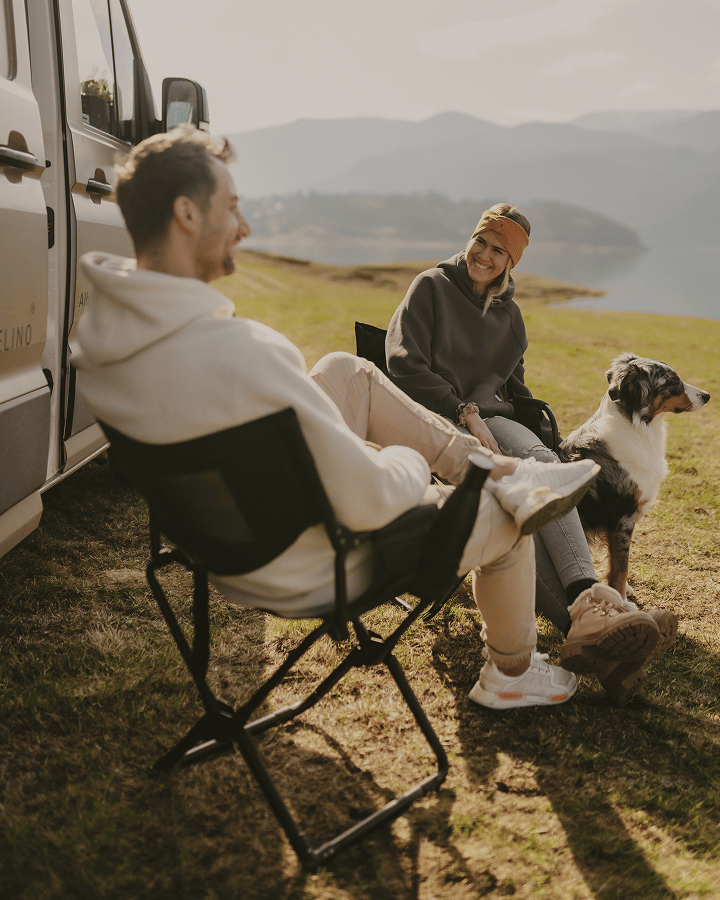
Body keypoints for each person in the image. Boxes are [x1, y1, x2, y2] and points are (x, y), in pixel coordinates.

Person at [75, 127, 662, 710]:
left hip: (234, 539)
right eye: (231, 207)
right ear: (185, 213)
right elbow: (369, 500)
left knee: (345, 369)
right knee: (507, 513)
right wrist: (403, 458)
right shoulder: (242, 355)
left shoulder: (105, 347)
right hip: (311, 560)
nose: (245, 226)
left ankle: (502, 473)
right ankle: (512, 670)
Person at [386, 203, 678, 703]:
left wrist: (522, 424)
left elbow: (510, 385)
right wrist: (464, 412)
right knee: (509, 504)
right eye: (481, 241)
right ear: (471, 239)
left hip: (495, 419)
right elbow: (402, 362)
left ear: (511, 261)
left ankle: (590, 612)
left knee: (543, 467)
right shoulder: (431, 287)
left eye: (499, 250)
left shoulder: (511, 317)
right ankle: (594, 627)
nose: (484, 254)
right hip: (436, 418)